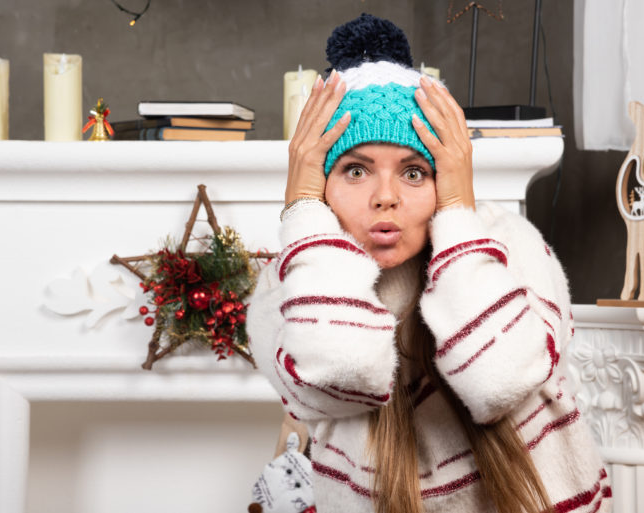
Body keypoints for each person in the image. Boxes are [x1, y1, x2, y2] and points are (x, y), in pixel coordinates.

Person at [246, 14, 610, 513]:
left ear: (446, 177)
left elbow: (498, 380)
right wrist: (303, 209)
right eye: (355, 169)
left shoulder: (509, 244)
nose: (386, 198)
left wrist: (458, 214)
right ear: (319, 183)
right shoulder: (287, 284)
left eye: (414, 172)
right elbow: (339, 365)